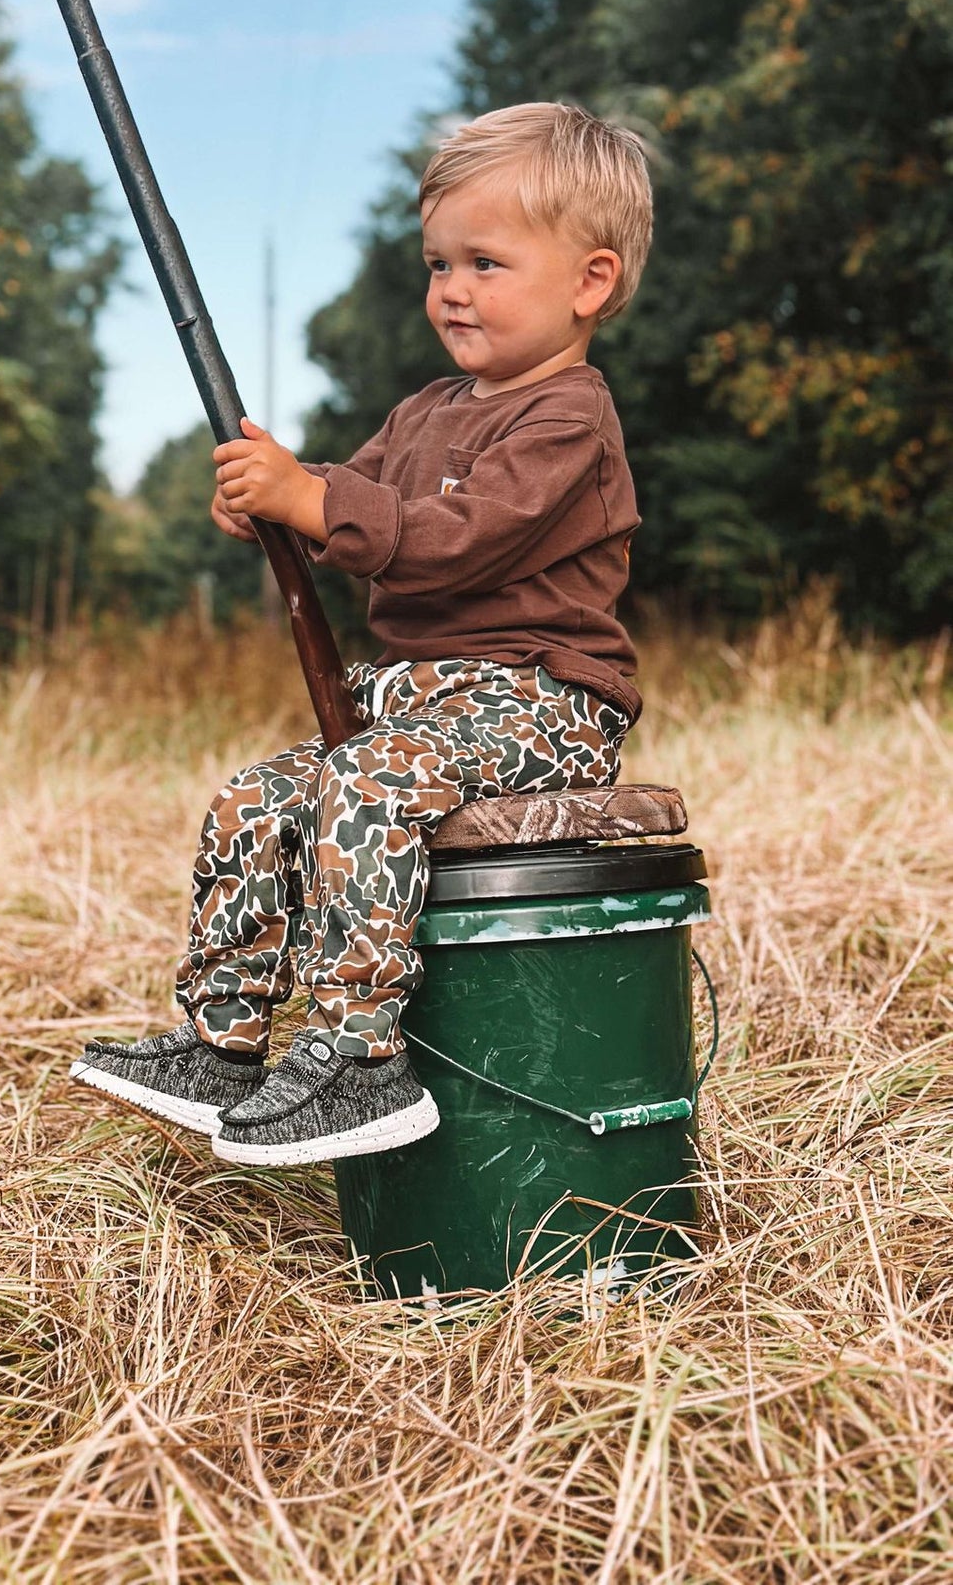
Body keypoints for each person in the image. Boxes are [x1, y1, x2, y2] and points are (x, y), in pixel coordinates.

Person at [72, 101, 650, 1166]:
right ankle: (222, 1039)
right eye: (438, 263)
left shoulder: (569, 418)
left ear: (588, 282)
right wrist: (271, 496)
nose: (451, 289)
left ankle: (355, 1055)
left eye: (485, 262)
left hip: (540, 705)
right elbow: (347, 494)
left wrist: (316, 503)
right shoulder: (426, 409)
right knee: (258, 796)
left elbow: (448, 540)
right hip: (417, 708)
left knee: (370, 784)